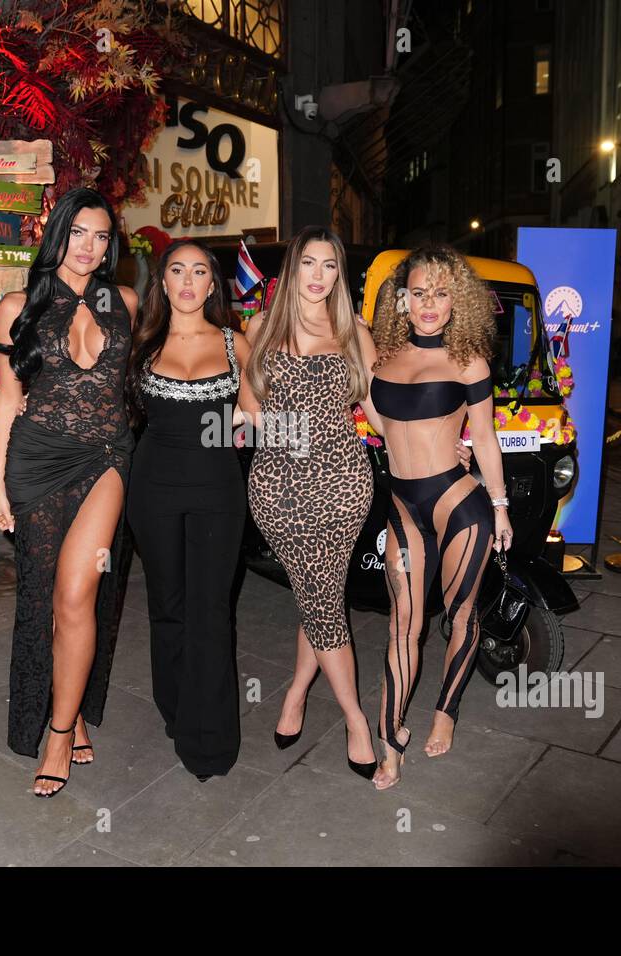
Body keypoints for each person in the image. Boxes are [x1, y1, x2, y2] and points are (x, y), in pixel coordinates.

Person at [0, 187, 139, 797]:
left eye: (102, 237)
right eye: (79, 233)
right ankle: (71, 710)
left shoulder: (126, 302)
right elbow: (6, 398)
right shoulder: (17, 306)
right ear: (58, 235)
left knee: (78, 592)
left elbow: (172, 360)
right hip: (36, 460)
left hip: (106, 458)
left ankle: (57, 733)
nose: (90, 248)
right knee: (48, 599)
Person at [239, 225, 382, 781]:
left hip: (345, 485)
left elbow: (376, 412)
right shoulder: (259, 329)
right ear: (291, 269)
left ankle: (297, 693)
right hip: (280, 488)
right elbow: (249, 412)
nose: (319, 276)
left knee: (317, 594)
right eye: (309, 264)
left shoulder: (355, 334)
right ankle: (356, 720)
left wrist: (442, 449)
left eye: (330, 266)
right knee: (323, 599)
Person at [366, 245, 512, 789]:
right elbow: (385, 427)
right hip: (402, 500)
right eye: (419, 291)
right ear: (402, 298)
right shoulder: (380, 353)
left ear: (459, 300)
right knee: (404, 621)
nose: (430, 303)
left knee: (461, 612)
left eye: (442, 292)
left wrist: (498, 506)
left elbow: (487, 437)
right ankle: (391, 738)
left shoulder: (468, 359)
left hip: (460, 504)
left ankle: (446, 709)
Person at [125, 239, 250, 780]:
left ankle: (210, 738)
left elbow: (267, 417)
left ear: (212, 284)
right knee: (168, 606)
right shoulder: (140, 343)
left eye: (200, 271)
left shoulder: (237, 344)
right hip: (152, 489)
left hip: (219, 491)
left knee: (211, 610)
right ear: (163, 281)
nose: (188, 280)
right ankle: (175, 707)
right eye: (177, 269)